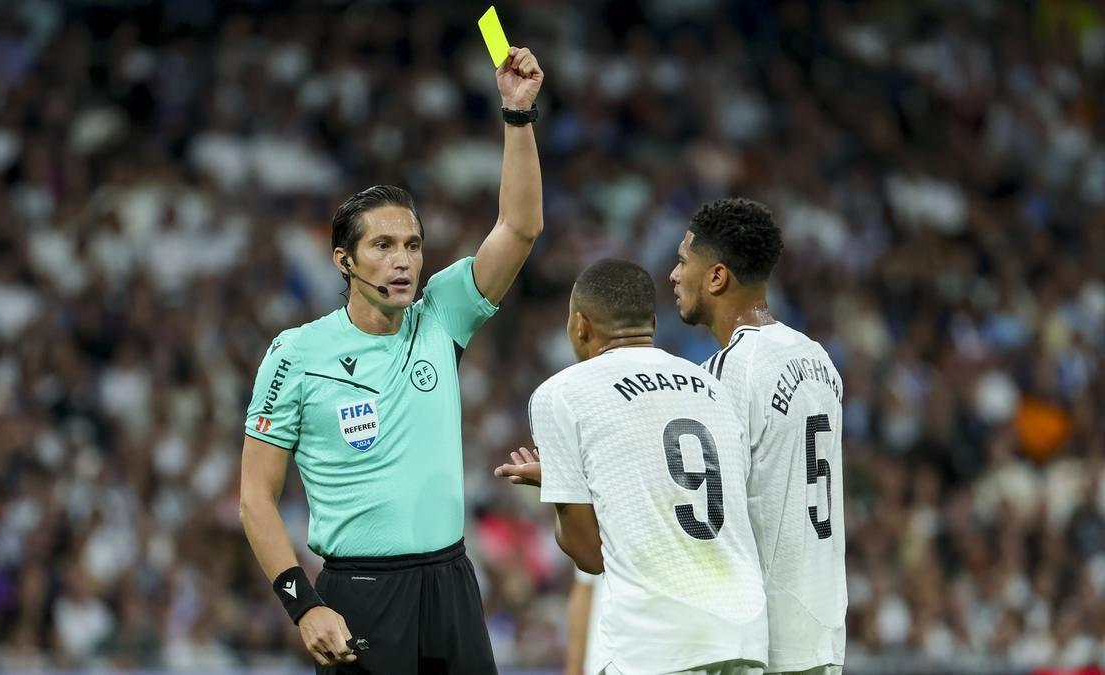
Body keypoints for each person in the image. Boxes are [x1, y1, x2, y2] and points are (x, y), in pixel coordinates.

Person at [238, 46, 545, 673]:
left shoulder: (441, 317)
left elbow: (519, 227)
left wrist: (518, 116)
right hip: (361, 596)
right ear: (343, 260)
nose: (402, 260)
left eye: (412, 244)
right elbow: (255, 497)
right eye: (382, 245)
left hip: (452, 584)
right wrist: (303, 604)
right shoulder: (297, 353)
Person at [496, 259, 768, 675]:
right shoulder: (711, 385)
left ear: (581, 325)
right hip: (744, 632)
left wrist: (561, 490)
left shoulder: (562, 393)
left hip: (658, 642)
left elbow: (591, 557)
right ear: (654, 323)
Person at [669, 198, 846, 675]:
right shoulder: (818, 358)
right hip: (823, 630)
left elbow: (707, 514)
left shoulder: (726, 372)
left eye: (683, 261)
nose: (672, 275)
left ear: (717, 277)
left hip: (762, 641)